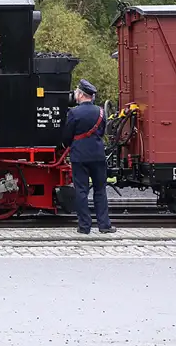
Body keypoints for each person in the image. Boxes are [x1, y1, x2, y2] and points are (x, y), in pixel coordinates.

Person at [64, 79, 115, 234]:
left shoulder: (73, 113)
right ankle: (104, 226)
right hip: (98, 156)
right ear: (91, 96)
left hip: (79, 156)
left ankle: (84, 226)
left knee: (81, 191)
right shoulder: (100, 112)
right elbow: (101, 131)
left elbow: (67, 136)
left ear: (80, 95)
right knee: (100, 190)